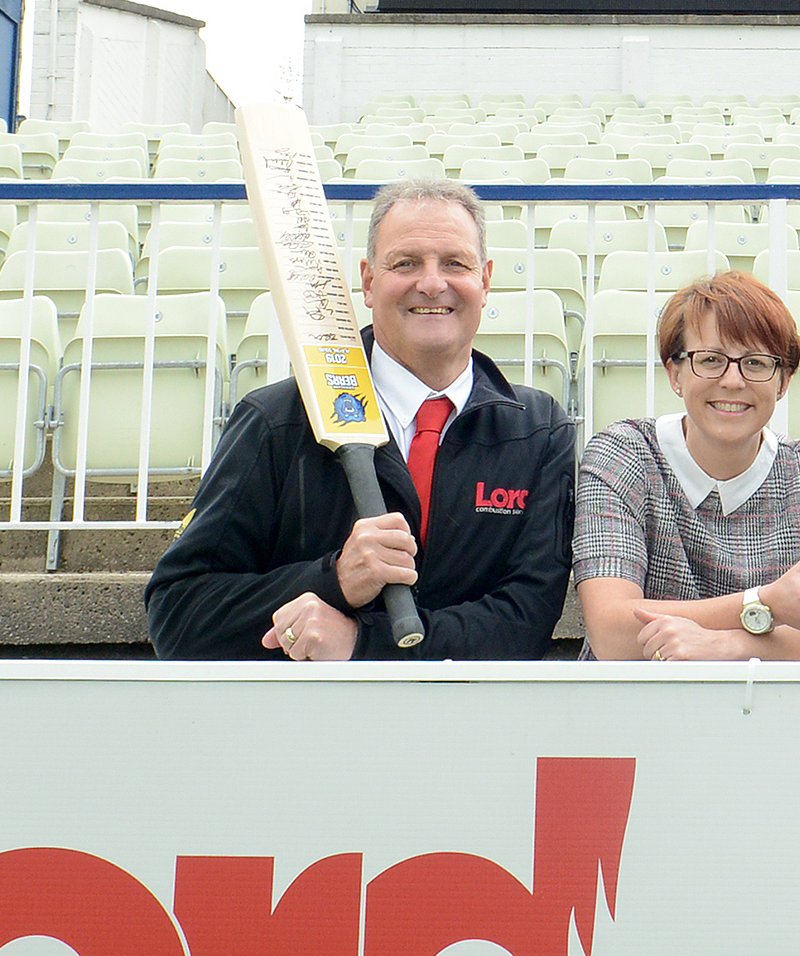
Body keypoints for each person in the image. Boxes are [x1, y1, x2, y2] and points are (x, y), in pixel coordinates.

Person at [145, 177, 574, 661]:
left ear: (485, 279)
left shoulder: (537, 431)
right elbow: (177, 613)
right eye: (406, 263)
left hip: (469, 725)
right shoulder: (278, 421)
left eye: (455, 263)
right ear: (369, 281)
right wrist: (333, 579)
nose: (432, 282)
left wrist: (361, 643)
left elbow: (527, 624)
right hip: (307, 726)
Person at [574, 269, 800, 662]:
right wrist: (768, 603)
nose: (733, 381)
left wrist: (724, 646)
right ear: (675, 373)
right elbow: (612, 633)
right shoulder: (623, 455)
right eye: (710, 360)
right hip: (632, 712)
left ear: (783, 381)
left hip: (768, 715)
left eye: (756, 363)